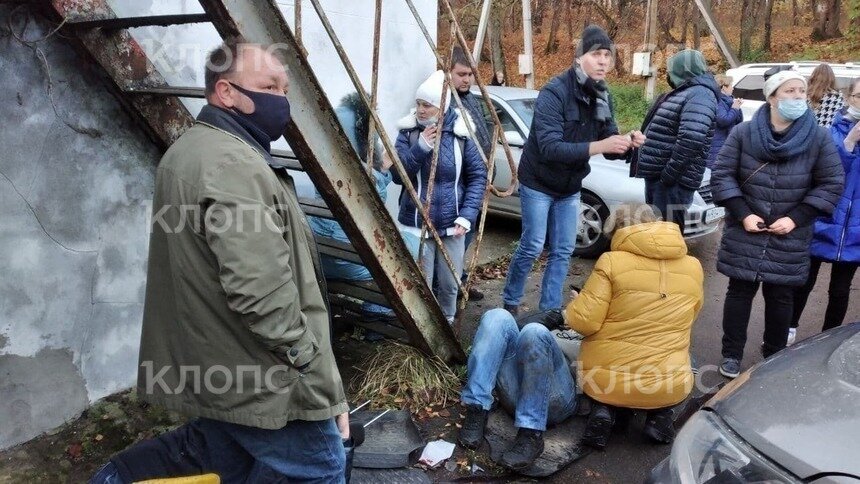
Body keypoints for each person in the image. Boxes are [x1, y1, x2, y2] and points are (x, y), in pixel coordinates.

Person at [90, 38, 350, 483]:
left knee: (221, 457)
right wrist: (314, 370)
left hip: (222, 367)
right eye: (270, 86)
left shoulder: (191, 151)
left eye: (285, 91)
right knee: (322, 467)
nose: (281, 102)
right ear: (226, 92)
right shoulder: (234, 165)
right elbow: (262, 293)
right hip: (266, 379)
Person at [502, 24, 645, 316]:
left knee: (564, 249)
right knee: (532, 245)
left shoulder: (603, 96)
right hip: (538, 181)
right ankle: (510, 301)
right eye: (596, 54)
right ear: (580, 57)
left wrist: (627, 144)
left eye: (607, 54)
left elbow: (609, 144)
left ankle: (550, 310)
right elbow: (550, 147)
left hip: (569, 186)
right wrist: (600, 143)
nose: (604, 60)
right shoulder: (554, 93)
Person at [712, 70, 844, 379]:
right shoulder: (743, 133)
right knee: (739, 291)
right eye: (790, 91)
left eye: (801, 91)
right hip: (747, 226)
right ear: (772, 98)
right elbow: (722, 175)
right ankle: (731, 354)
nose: (799, 96)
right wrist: (743, 213)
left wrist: (795, 218)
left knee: (781, 296)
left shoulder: (818, 137)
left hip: (790, 232)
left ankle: (772, 355)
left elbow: (831, 183)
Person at [564, 204, 703, 449]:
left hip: (606, 383)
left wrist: (576, 306)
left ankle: (604, 410)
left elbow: (583, 322)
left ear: (618, 230)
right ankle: (660, 415)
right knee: (683, 356)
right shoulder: (694, 266)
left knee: (594, 359)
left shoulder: (611, 262)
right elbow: (691, 315)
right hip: (669, 383)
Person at [308, 92, 420, 327]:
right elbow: (369, 206)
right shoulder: (357, 166)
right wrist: (383, 171)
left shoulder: (326, 152)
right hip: (346, 255)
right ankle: (377, 311)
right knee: (411, 245)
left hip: (320, 249)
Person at [393, 70, 488, 323]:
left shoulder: (461, 133)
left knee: (449, 284)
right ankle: (421, 329)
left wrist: (467, 216)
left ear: (441, 107)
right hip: (416, 224)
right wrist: (421, 147)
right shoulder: (409, 132)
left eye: (428, 105)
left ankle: (447, 326)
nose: (421, 110)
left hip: (453, 225)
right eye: (418, 104)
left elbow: (478, 176)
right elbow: (397, 174)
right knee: (419, 285)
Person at [457, 308, 581, 470]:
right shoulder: (567, 311)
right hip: (519, 392)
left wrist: (575, 318)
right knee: (496, 317)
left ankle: (531, 433)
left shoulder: (605, 321)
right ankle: (477, 407)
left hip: (557, 395)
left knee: (535, 332)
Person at [790, 77, 860, 341]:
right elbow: (826, 174)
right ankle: (789, 330)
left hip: (855, 229)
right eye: (859, 96)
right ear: (848, 99)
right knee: (804, 282)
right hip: (824, 219)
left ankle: (828, 340)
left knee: (841, 290)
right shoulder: (832, 133)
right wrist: (850, 143)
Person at [634, 49, 720, 234]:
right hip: (662, 180)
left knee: (668, 236)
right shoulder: (686, 92)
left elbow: (692, 138)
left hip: (673, 183)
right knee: (657, 235)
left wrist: (668, 176)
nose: (668, 74)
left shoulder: (700, 94)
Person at [449, 46, 493, 301]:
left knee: (469, 232)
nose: (467, 79)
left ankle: (459, 280)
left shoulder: (472, 99)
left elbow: (483, 136)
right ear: (449, 73)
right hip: (459, 181)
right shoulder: (446, 101)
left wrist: (489, 170)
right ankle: (450, 284)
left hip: (476, 180)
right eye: (462, 74)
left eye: (470, 75)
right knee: (457, 235)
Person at [707, 74, 744, 169]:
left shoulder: (728, 100)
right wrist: (735, 108)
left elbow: (738, 121)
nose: (733, 88)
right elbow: (723, 120)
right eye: (731, 85)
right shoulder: (718, 101)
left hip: (727, 141)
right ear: (724, 87)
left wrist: (737, 107)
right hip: (718, 143)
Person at [807, 63, 845, 128]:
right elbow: (840, 116)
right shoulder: (837, 96)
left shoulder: (807, 94)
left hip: (810, 131)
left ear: (814, 76)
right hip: (829, 133)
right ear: (832, 78)